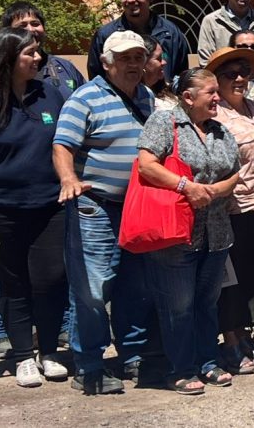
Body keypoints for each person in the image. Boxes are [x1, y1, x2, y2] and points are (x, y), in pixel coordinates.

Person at [0, 2, 81, 361]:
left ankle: (48, 353)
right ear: (9, 55)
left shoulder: (50, 89)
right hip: (3, 206)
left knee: (50, 279)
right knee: (15, 282)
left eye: (37, 26)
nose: (37, 57)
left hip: (50, 204)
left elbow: (68, 139)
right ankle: (20, 356)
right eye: (29, 52)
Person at [53, 30, 156, 394]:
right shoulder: (85, 98)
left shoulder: (148, 98)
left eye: (138, 57)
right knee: (93, 290)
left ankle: (132, 356)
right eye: (125, 58)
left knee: (135, 286)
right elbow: (62, 145)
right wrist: (69, 179)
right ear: (107, 62)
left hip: (137, 209)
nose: (133, 64)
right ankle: (90, 364)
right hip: (94, 209)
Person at [137, 68, 240, 395]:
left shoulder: (220, 130)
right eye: (210, 92)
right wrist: (187, 187)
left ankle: (208, 361)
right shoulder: (165, 123)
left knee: (207, 303)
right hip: (177, 233)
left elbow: (236, 171)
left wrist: (218, 189)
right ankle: (180, 369)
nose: (216, 97)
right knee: (177, 306)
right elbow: (146, 165)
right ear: (187, 97)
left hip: (217, 234)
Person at [207, 47, 254, 374]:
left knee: (250, 277)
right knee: (232, 281)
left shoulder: (253, 108)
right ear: (216, 81)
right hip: (234, 208)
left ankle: (243, 334)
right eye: (229, 74)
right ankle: (230, 341)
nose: (238, 78)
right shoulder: (215, 114)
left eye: (243, 73)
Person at [87, 0, 190, 82]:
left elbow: (181, 75)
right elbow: (96, 76)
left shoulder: (171, 33)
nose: (130, 0)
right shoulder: (105, 35)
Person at [143, 35, 179, 110]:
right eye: (158, 58)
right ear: (142, 62)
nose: (164, 62)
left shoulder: (169, 92)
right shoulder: (137, 99)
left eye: (163, 57)